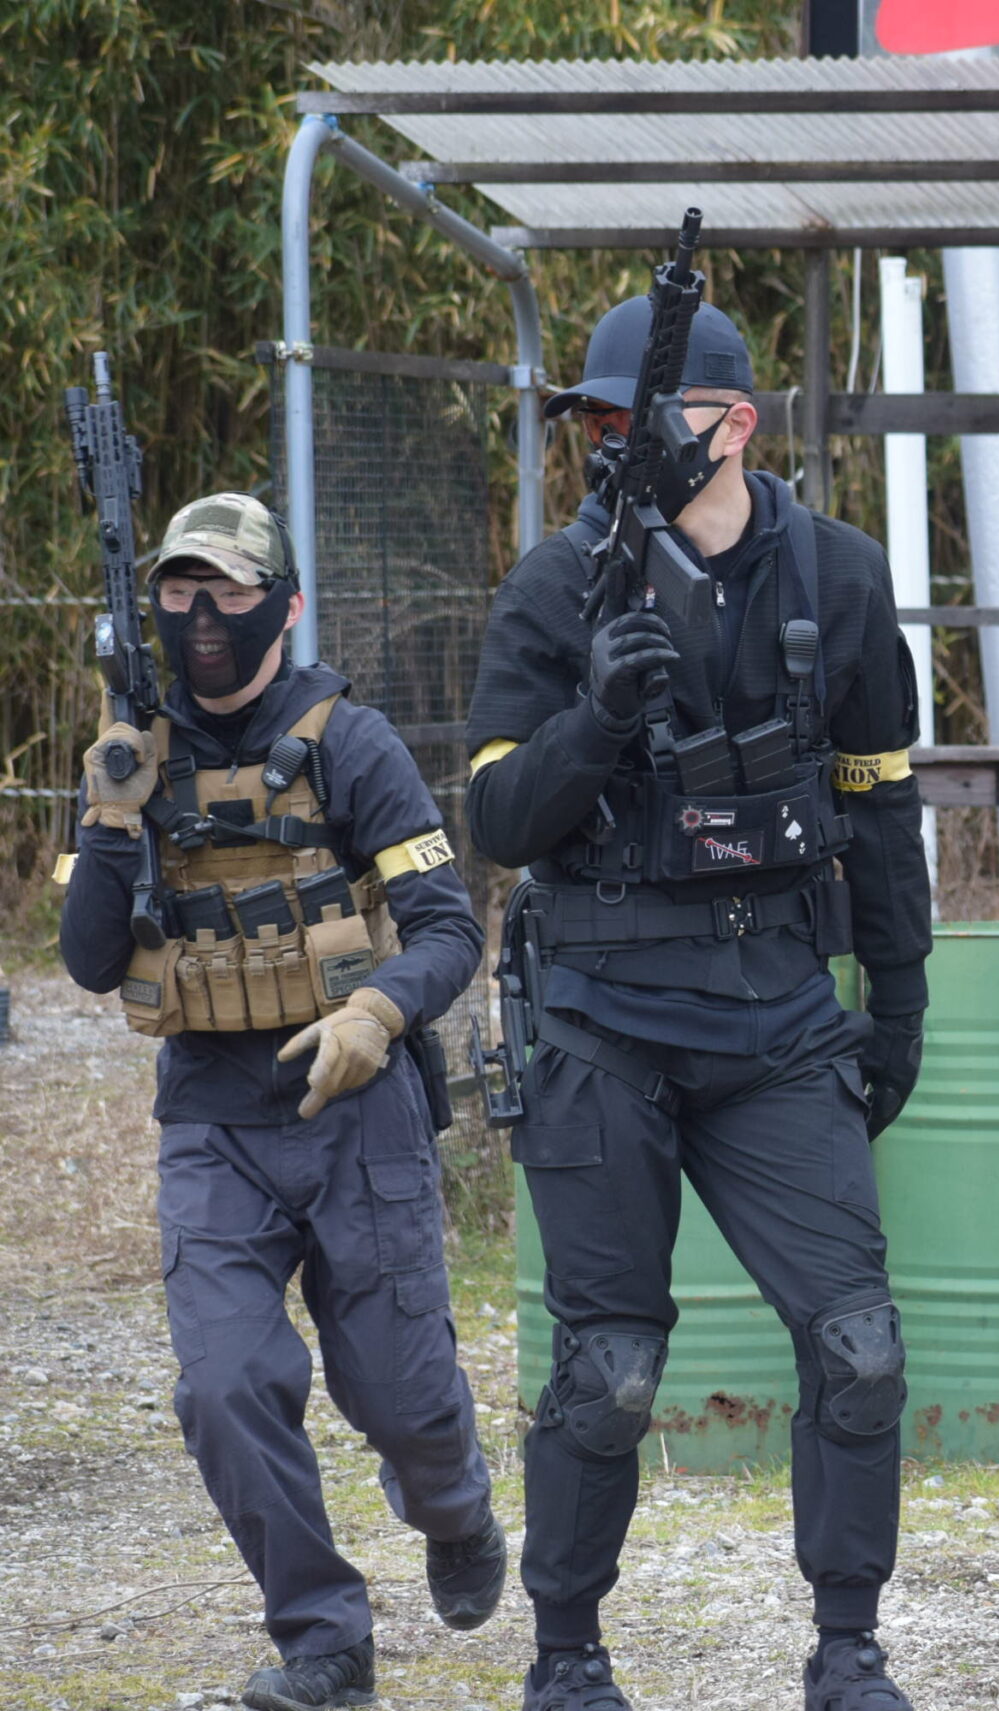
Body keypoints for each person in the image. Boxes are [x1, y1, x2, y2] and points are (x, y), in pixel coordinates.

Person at [464, 297, 932, 1711]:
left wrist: (898, 996)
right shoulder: (556, 586)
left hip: (777, 1013)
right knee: (610, 1368)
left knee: (858, 1344)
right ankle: (567, 1652)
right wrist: (596, 718)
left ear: (735, 425)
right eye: (596, 423)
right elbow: (498, 818)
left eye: (637, 419)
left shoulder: (839, 575)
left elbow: (880, 809)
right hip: (602, 1017)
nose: (611, 446)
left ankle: (847, 1647)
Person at [58, 493, 499, 1711]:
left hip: (355, 1113)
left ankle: (454, 1508)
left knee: (401, 1397)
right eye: (179, 589)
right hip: (213, 1117)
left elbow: (450, 928)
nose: (202, 615)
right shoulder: (131, 753)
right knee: (223, 1386)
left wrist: (377, 1014)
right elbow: (89, 959)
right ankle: (325, 1639)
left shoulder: (351, 743)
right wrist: (113, 813)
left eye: (231, 590)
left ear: (285, 603)